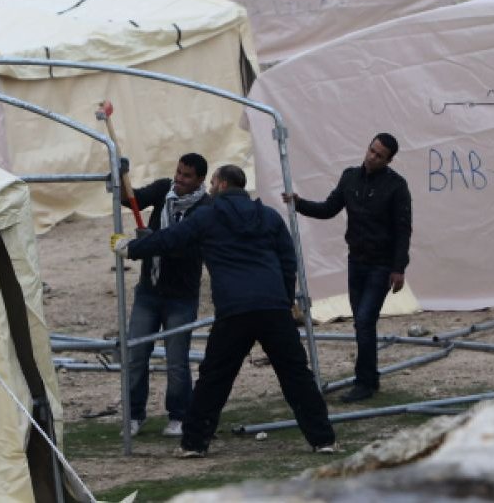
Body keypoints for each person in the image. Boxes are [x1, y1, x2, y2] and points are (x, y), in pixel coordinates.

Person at [112, 164, 337, 458]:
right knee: (297, 377)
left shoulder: (208, 216)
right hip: (272, 308)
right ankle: (323, 440)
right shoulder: (268, 216)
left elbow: (171, 239)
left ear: (219, 184)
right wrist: (282, 298)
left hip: (234, 309)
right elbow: (287, 261)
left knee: (215, 379)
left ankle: (194, 443)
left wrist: (131, 248)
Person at [282, 133, 412, 403]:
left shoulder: (397, 187)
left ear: (389, 160)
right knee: (362, 323)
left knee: (365, 321)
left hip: (381, 264)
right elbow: (329, 208)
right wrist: (299, 203)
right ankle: (370, 377)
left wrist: (398, 268)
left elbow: (403, 230)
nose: (372, 157)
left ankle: (363, 381)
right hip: (357, 261)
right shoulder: (350, 177)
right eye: (371, 150)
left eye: (379, 155)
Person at [119, 153, 210, 438]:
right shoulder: (163, 191)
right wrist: (120, 175)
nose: (179, 180)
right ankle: (134, 414)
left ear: (199, 181)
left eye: (186, 176)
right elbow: (129, 198)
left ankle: (179, 415)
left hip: (181, 295)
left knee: (176, 360)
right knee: (136, 353)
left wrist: (152, 243)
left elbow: (187, 248)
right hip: (149, 291)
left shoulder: (206, 210)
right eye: (178, 172)